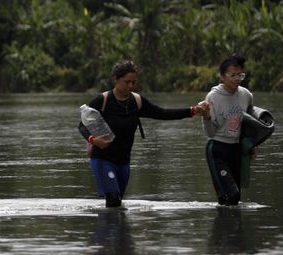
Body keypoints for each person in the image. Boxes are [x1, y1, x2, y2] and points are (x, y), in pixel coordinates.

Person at [78, 60, 208, 207]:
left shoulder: (137, 101)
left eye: (134, 82)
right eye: (127, 82)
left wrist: (192, 111)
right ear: (115, 79)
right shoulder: (102, 100)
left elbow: (163, 113)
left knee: (117, 203)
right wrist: (93, 140)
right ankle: (108, 228)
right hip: (103, 159)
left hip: (123, 161)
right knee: (113, 200)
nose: (130, 86)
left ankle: (116, 229)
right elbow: (82, 126)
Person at [202, 54, 256, 206]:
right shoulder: (213, 97)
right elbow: (210, 133)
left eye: (240, 75)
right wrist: (206, 117)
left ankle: (227, 228)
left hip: (236, 149)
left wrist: (251, 147)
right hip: (217, 149)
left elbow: (250, 124)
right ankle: (223, 227)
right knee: (231, 195)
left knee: (234, 200)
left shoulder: (246, 95)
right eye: (232, 75)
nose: (237, 79)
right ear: (222, 76)